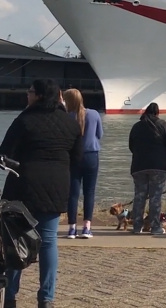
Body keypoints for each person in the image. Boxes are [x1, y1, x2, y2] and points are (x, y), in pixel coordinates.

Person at [0, 79, 83, 308]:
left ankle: (10, 296)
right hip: (56, 187)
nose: (27, 95)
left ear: (39, 96)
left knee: (16, 240)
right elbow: (77, 159)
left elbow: (3, 155)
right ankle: (46, 298)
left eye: (30, 92)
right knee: (48, 242)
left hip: (22, 187)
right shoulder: (70, 124)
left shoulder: (24, 120)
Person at [128, 103, 166, 235]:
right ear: (157, 113)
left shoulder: (136, 127)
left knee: (139, 196)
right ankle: (155, 227)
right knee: (156, 197)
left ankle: (137, 227)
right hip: (159, 167)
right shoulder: (163, 125)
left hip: (139, 166)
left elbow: (131, 146)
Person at [63, 89, 103, 239]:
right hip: (91, 155)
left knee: (73, 193)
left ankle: (72, 228)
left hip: (73, 157)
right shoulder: (94, 114)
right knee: (89, 192)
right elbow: (100, 134)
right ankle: (87, 227)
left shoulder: (67, 117)